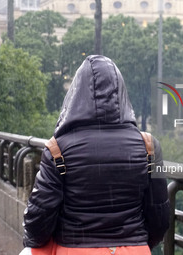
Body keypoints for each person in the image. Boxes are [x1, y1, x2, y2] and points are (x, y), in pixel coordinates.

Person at [20, 55, 170, 255]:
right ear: (121, 93)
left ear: (76, 94)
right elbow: (159, 215)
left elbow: (40, 217)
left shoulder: (57, 150)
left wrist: (34, 242)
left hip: (73, 249)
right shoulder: (148, 146)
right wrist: (138, 243)